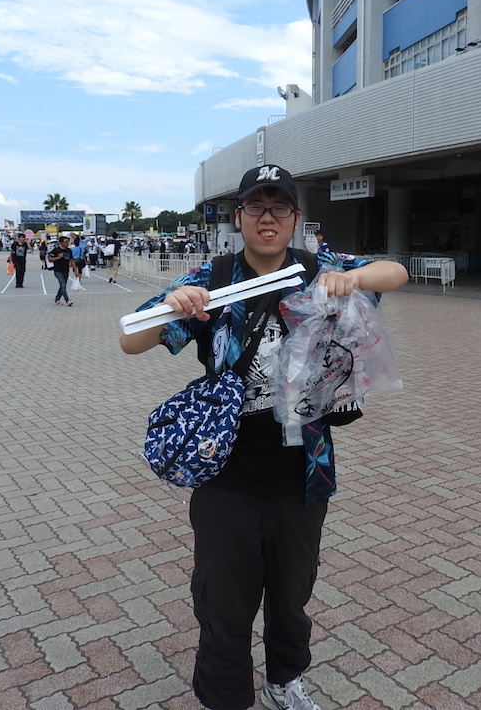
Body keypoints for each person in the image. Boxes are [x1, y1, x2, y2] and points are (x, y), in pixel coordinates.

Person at [119, 164, 408, 710]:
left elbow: (395, 272)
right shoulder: (212, 277)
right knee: (223, 600)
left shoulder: (316, 267)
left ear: (295, 218)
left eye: (279, 207)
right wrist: (172, 305)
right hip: (225, 472)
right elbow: (130, 341)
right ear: (239, 216)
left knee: (292, 593)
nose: (267, 217)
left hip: (304, 470)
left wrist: (354, 280)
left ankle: (284, 682)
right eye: (256, 206)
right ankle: (225, 696)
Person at [48, 235, 75, 305]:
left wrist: (75, 269)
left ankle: (57, 299)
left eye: (68, 242)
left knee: (63, 286)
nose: (67, 243)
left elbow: (72, 260)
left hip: (66, 270)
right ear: (61, 243)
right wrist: (58, 257)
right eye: (66, 242)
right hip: (58, 270)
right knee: (63, 285)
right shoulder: (56, 250)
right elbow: (50, 259)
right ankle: (67, 300)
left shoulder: (69, 250)